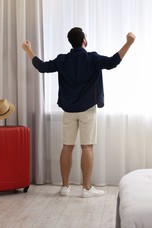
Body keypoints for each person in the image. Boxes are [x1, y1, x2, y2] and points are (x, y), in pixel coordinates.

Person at [22, 27, 135, 198]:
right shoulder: (92, 58)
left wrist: (28, 50)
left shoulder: (63, 59)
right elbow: (113, 62)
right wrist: (129, 43)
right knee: (87, 147)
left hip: (69, 110)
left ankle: (65, 187)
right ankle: (86, 189)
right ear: (83, 40)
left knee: (67, 147)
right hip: (87, 110)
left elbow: (42, 67)